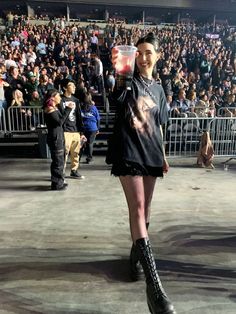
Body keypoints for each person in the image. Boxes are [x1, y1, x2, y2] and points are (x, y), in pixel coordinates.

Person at [106, 33, 176, 314]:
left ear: (157, 56)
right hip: (128, 152)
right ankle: (154, 287)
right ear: (133, 57)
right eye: (139, 53)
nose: (144, 57)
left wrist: (164, 156)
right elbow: (119, 95)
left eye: (149, 52)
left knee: (145, 213)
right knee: (136, 210)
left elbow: (160, 126)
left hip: (151, 154)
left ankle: (135, 258)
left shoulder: (159, 89)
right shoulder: (128, 80)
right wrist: (118, 70)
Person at [43, 89, 73, 191]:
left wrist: (62, 106)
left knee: (59, 160)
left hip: (58, 137)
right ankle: (57, 184)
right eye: (58, 96)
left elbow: (61, 119)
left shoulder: (54, 107)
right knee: (58, 161)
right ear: (52, 97)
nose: (60, 97)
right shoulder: (50, 109)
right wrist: (68, 109)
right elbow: (60, 122)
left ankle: (58, 181)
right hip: (56, 138)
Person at [60, 79, 85, 179]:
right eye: (71, 85)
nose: (74, 87)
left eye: (74, 85)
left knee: (76, 153)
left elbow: (79, 116)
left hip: (75, 130)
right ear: (65, 87)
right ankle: (61, 172)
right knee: (64, 153)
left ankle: (74, 170)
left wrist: (81, 132)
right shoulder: (61, 100)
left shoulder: (76, 100)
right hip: (65, 130)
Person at [81, 92, 100, 164]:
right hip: (92, 128)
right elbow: (98, 118)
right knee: (90, 143)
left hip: (83, 128)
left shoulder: (80, 107)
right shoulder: (93, 108)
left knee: (82, 143)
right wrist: (98, 128)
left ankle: (78, 158)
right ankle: (89, 158)